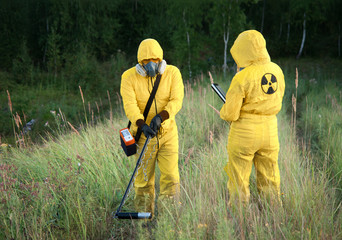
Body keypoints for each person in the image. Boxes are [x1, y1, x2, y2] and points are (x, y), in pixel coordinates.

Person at [220, 30, 285, 206]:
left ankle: (240, 216)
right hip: (270, 131)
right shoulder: (277, 70)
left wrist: (223, 110)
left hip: (245, 133)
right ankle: (272, 213)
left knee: (239, 179)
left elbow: (231, 114)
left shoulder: (242, 77)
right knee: (270, 176)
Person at [120, 38, 184, 217]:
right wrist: (141, 124)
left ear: (160, 60)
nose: (150, 64)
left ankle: (169, 219)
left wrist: (161, 117)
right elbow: (130, 105)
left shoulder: (172, 73)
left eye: (154, 60)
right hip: (143, 136)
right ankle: (143, 221)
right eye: (145, 61)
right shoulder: (128, 77)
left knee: (171, 178)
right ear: (140, 63)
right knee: (143, 182)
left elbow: (176, 100)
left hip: (168, 134)